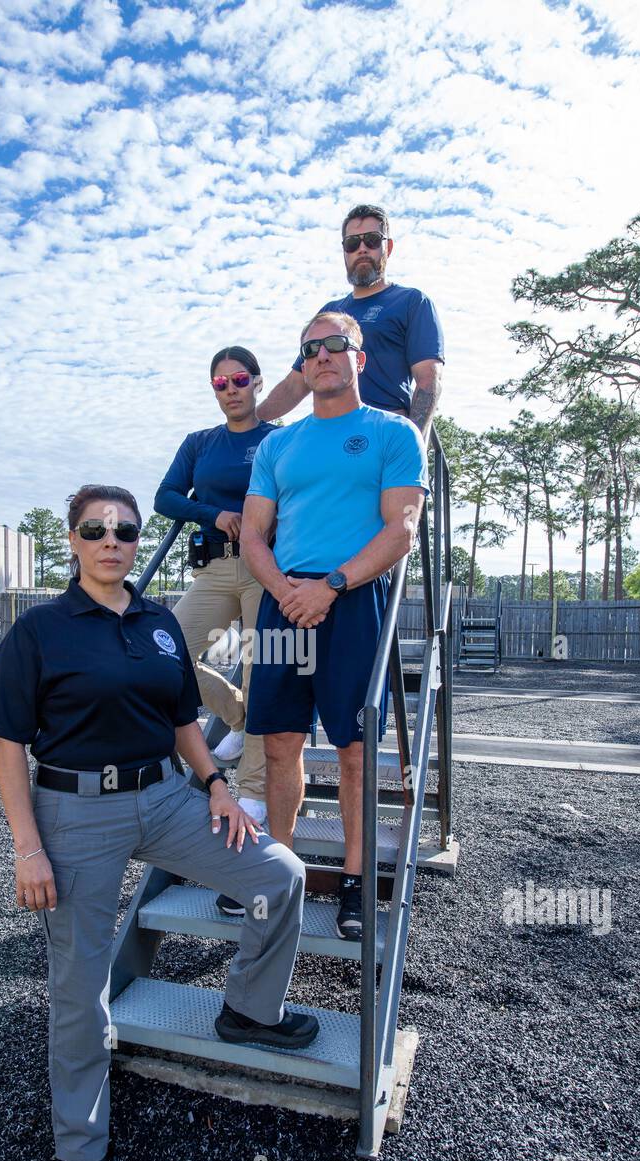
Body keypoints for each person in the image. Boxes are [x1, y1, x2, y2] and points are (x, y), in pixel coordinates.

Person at [0, 485, 315, 1161]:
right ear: (72, 539)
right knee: (80, 987)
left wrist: (218, 785)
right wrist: (27, 847)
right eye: (95, 529)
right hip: (72, 815)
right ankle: (81, 1146)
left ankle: (249, 1009)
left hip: (165, 800)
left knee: (279, 872)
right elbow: (8, 744)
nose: (112, 540)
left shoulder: (159, 622)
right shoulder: (40, 632)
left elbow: (181, 716)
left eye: (125, 530)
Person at [241, 313, 429, 942]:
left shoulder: (393, 433)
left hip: (351, 601)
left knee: (353, 752)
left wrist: (332, 586)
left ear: (360, 357)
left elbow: (401, 529)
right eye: (309, 349)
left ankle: (353, 882)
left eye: (334, 346)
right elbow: (251, 534)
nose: (321, 356)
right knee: (278, 746)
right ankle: (277, 873)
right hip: (284, 598)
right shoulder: (276, 445)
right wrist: (286, 593)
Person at [154, 346, 276, 915]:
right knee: (166, 652)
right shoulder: (200, 443)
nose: (230, 388)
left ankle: (252, 797)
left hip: (265, 566)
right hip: (212, 565)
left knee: (265, 666)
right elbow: (164, 497)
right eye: (220, 381)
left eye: (240, 379)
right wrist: (212, 513)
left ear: (257, 382)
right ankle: (236, 713)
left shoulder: (278, 437)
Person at [257, 203, 444, 439]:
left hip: (383, 434)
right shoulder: (330, 312)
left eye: (372, 240)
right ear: (345, 251)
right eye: (353, 243)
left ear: (388, 247)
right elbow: (295, 384)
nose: (362, 249)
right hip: (331, 437)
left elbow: (429, 378)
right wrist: (247, 422)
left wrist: (415, 445)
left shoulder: (411, 302)